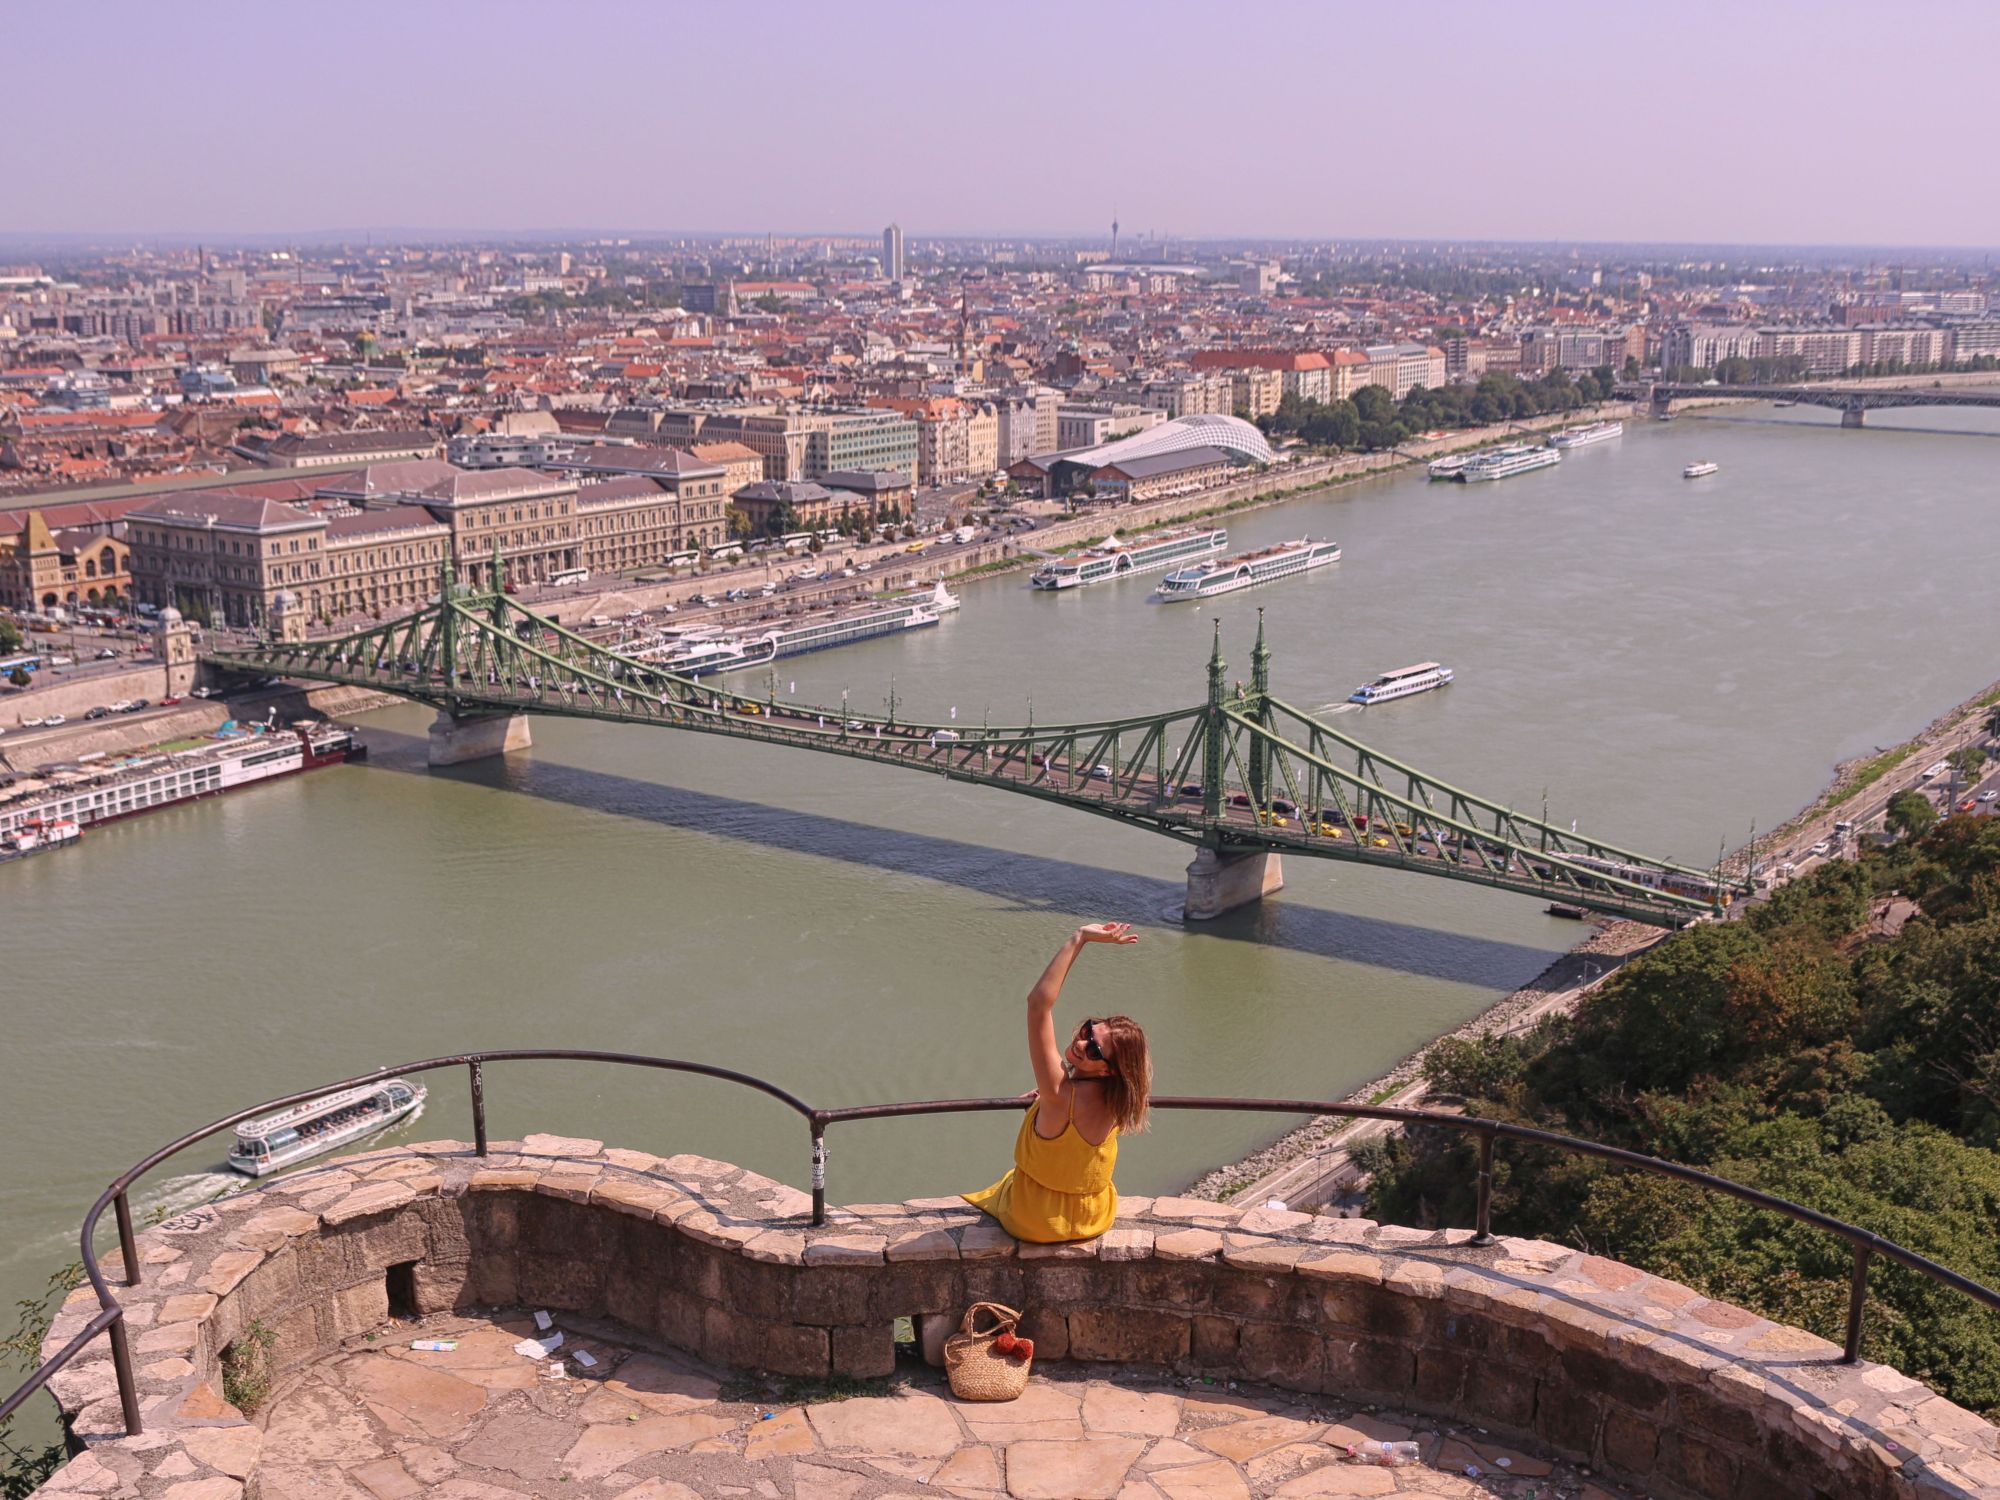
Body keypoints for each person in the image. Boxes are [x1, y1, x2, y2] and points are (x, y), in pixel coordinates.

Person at [963, 922, 1152, 1243]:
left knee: (1008, 1183)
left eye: (1094, 1050)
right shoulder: (1120, 1101)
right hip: (1093, 1217)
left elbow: (1038, 1004)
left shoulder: (1058, 1091)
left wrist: (1080, 937)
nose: (1081, 1043)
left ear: (1108, 1070)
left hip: (1035, 1220)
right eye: (1088, 1031)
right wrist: (1046, 1100)